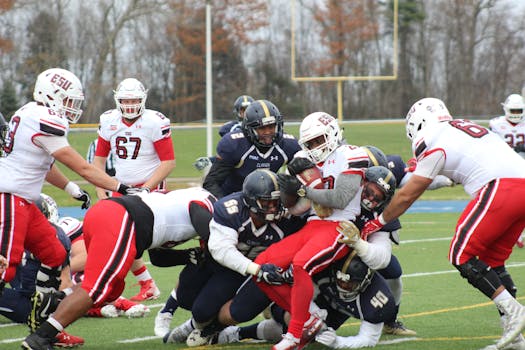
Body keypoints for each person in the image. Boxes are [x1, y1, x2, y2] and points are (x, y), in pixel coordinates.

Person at [361, 97, 525, 350]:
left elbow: (407, 194)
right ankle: (516, 337)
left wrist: (378, 221)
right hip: (519, 184)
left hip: (500, 186)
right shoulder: (459, 127)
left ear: (417, 123)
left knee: (460, 254)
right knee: (492, 262)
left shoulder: (432, 137)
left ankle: (515, 311)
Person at [0, 68, 136, 326]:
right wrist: (122, 186)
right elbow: (83, 167)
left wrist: (71, 189)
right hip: (10, 198)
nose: (71, 108)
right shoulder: (43, 118)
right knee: (6, 268)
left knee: (55, 253)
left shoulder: (30, 113)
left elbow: (44, 164)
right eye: (68, 101)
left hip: (25, 202)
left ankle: (42, 323)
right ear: (50, 95)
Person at [22, 187, 215, 349]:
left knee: (111, 289)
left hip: (110, 214)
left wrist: (189, 256)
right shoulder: (208, 205)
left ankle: (54, 300)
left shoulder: (180, 201)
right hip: (122, 219)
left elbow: (157, 257)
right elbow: (201, 218)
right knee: (96, 289)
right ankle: (40, 337)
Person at [253, 111, 374, 350]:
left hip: (340, 226)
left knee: (300, 265)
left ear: (333, 133)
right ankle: (308, 319)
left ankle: (294, 335)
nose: (315, 146)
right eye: (310, 143)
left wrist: (302, 189)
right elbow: (297, 209)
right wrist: (289, 191)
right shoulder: (300, 158)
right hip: (311, 225)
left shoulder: (352, 154)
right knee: (261, 266)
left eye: (319, 140)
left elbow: (339, 199)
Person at [163, 169, 308, 345]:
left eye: (276, 202)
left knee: (241, 311)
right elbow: (222, 251)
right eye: (266, 202)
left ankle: (213, 329)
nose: (273, 208)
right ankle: (192, 324)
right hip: (226, 266)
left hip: (264, 269)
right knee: (199, 309)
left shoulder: (286, 216)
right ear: (251, 201)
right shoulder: (231, 210)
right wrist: (256, 269)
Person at [92, 77, 176, 302]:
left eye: (135, 100)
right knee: (120, 237)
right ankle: (146, 283)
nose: (130, 105)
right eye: (125, 100)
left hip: (150, 187)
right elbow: (97, 162)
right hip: (122, 188)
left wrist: (146, 189)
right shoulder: (108, 120)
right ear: (117, 100)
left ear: (143, 99)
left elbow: (168, 162)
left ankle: (149, 281)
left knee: (148, 240)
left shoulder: (155, 121)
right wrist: (102, 192)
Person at [0, 193, 84, 348]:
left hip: (36, 305)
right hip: (29, 298)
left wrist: (51, 318)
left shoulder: (53, 237)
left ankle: (47, 330)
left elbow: (64, 282)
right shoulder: (11, 232)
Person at [202, 99, 301, 199]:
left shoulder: (289, 145)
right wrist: (224, 206)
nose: (268, 132)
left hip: (268, 200)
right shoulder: (234, 144)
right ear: (249, 129)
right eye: (262, 128)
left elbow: (304, 178)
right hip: (233, 197)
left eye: (271, 127)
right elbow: (211, 183)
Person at [488, 93, 525, 248]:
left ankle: (518, 232)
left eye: (518, 111)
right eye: (513, 111)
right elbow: (488, 143)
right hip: (505, 167)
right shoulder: (496, 124)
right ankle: (507, 233)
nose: (516, 114)